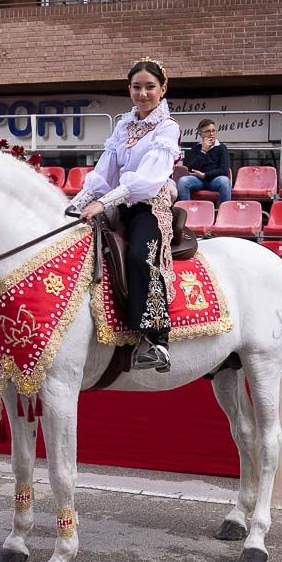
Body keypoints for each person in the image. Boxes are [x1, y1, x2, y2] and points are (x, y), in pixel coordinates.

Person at [71, 57, 179, 372]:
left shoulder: (167, 128)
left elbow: (147, 180)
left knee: (138, 256)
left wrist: (104, 202)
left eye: (150, 87)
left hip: (149, 208)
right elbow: (105, 171)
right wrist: (77, 204)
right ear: (128, 89)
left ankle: (157, 339)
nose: (143, 93)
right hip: (119, 205)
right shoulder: (123, 125)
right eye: (136, 87)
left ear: (163, 89)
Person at [176, 119, 231, 204]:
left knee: (224, 181)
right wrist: (203, 151)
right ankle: (186, 212)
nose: (211, 134)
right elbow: (191, 168)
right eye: (207, 131)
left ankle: (225, 213)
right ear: (200, 134)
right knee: (183, 181)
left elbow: (224, 170)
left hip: (215, 180)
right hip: (198, 181)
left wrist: (205, 175)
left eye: (213, 131)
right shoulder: (196, 148)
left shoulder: (221, 147)